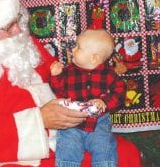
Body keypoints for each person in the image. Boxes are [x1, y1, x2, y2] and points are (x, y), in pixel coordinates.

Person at [0, 0, 141, 167]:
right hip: (12, 153)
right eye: (7, 26)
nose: (18, 31)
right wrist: (41, 120)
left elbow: (67, 79)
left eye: (17, 19)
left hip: (64, 136)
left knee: (125, 153)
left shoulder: (25, 44)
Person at [50, 29, 126, 167]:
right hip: (72, 122)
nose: (73, 49)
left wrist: (104, 102)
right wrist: (56, 76)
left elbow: (120, 92)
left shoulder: (109, 74)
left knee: (104, 146)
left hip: (99, 122)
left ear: (94, 58)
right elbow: (59, 92)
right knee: (67, 147)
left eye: (78, 47)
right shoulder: (68, 72)